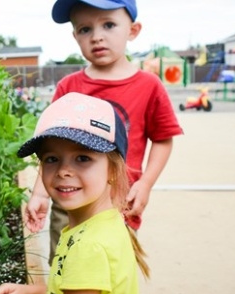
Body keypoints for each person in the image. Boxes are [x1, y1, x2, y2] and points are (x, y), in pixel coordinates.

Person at [25, 0, 184, 266]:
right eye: (85, 29)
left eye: (108, 25)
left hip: (120, 200)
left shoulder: (148, 86)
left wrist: (145, 184)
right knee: (65, 264)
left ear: (133, 30)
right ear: (75, 36)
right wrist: (40, 193)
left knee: (112, 267)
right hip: (69, 195)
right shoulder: (69, 87)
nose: (97, 36)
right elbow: (50, 149)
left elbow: (163, 139)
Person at [0, 92, 149, 294]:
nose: (63, 171)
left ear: (113, 170)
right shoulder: (104, 224)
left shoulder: (89, 247)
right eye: (52, 159)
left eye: (82, 158)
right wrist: (33, 291)